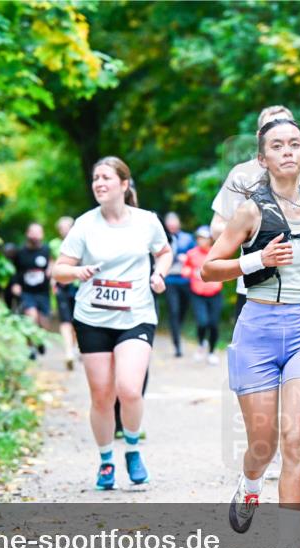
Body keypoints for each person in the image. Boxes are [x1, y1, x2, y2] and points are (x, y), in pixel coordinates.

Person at [202, 119, 300, 548]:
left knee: (296, 438)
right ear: (262, 159)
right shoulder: (249, 210)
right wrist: (258, 259)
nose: (287, 152)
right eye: (277, 146)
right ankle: (249, 485)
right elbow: (209, 269)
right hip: (258, 330)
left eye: (295, 145)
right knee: (262, 446)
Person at [52, 157, 172, 490]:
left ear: (123, 184)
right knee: (102, 395)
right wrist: (76, 272)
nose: (99, 183)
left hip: (136, 315)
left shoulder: (146, 222)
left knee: (130, 389)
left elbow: (164, 251)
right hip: (92, 317)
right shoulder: (85, 224)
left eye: (106, 177)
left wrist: (159, 273)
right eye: (95, 178)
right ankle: (106, 461)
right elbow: (59, 269)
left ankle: (132, 449)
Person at [210, 106, 300, 324]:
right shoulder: (241, 174)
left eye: (290, 135)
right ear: (260, 137)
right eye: (272, 130)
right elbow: (216, 227)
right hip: (257, 286)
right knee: (256, 349)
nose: (282, 138)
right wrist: (256, 235)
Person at [182, 225, 224, 364]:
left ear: (210, 239)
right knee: (202, 322)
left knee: (213, 324)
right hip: (197, 293)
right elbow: (185, 269)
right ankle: (201, 344)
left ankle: (212, 352)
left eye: (204, 238)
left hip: (215, 293)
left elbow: (224, 269)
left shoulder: (216, 252)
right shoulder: (192, 253)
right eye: (199, 238)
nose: (201, 241)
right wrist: (189, 272)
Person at [11, 223, 52, 360]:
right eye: (32, 232)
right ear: (27, 234)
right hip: (27, 292)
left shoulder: (46, 250)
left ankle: (40, 340)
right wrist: (15, 284)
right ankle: (31, 349)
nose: (35, 235)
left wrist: (51, 270)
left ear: (42, 235)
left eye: (38, 232)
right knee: (31, 317)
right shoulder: (20, 252)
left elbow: (53, 262)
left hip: (43, 292)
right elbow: (15, 271)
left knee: (44, 322)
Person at [163, 212, 195, 357]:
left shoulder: (187, 238)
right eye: (169, 223)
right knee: (173, 311)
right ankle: (177, 345)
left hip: (185, 280)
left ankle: (178, 328)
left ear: (179, 223)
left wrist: (187, 258)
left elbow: (196, 255)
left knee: (182, 310)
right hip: (169, 280)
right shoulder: (162, 238)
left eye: (174, 222)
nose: (172, 225)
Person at [51, 216, 80, 370]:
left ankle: (75, 347)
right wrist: (52, 282)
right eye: (62, 228)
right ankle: (68, 351)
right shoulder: (54, 245)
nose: (65, 230)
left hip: (78, 286)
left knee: (76, 320)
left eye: (67, 227)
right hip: (61, 286)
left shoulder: (80, 242)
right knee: (65, 321)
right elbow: (52, 265)